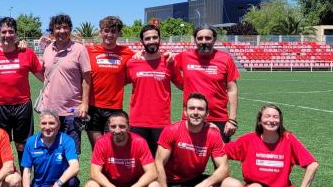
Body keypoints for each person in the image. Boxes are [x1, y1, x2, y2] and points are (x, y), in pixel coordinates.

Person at [155, 93, 242, 187]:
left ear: (207, 113)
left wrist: (205, 184)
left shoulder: (213, 134)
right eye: (192, 108)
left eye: (200, 109)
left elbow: (224, 168)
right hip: (171, 185)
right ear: (185, 111)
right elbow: (158, 163)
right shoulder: (172, 130)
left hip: (195, 183)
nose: (196, 112)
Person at [225, 104, 318, 187]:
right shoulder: (249, 139)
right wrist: (208, 134)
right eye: (267, 116)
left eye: (275, 117)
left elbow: (312, 164)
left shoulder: (288, 139)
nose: (271, 120)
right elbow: (221, 151)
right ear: (259, 120)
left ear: (280, 121)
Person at [84, 110, 160, 187]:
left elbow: (152, 173)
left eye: (122, 126)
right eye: (113, 126)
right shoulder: (102, 142)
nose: (117, 130)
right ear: (108, 126)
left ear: (129, 127)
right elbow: (94, 173)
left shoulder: (139, 142)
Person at [0, 16, 44, 161]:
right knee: (0, 144)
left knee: (22, 145)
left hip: (22, 105)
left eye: (11, 31)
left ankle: (24, 177)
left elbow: (43, 77)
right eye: (4, 32)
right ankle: (4, 178)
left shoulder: (27, 53)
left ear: (16, 33)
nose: (7, 35)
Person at [171, 26, 240, 142]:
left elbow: (232, 90)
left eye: (208, 38)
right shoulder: (185, 56)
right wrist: (140, 54)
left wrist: (232, 119)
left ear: (214, 39)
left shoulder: (226, 58)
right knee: (188, 157)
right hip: (192, 116)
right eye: (200, 38)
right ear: (195, 40)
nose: (203, 41)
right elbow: (165, 66)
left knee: (220, 158)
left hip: (219, 118)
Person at [18, 110, 81, 187]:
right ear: (39, 124)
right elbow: (26, 172)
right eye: (44, 123)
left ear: (58, 124)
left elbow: (75, 167)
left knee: (73, 181)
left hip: (61, 184)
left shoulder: (66, 140)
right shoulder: (31, 142)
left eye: (51, 123)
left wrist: (58, 184)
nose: (47, 127)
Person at [39, 13, 91, 154]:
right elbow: (44, 75)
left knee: (71, 154)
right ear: (52, 31)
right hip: (50, 111)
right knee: (50, 151)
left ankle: (70, 177)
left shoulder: (79, 49)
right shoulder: (48, 49)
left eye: (65, 27)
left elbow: (87, 78)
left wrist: (84, 103)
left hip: (71, 111)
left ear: (70, 29)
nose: (62, 31)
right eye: (58, 28)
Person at [86, 16, 134, 149]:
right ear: (100, 32)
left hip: (114, 108)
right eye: (106, 30)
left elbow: (132, 73)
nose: (109, 35)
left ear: (119, 33)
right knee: (97, 148)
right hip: (92, 107)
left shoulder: (127, 53)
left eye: (113, 31)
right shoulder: (89, 51)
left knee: (113, 148)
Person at [125, 24, 173, 154]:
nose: (151, 41)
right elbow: (118, 82)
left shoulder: (169, 61)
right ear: (142, 42)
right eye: (147, 38)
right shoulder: (132, 63)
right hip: (137, 121)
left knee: (160, 164)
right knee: (138, 162)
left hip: (161, 122)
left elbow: (183, 84)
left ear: (159, 39)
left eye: (154, 37)